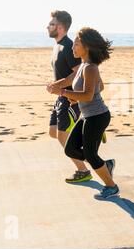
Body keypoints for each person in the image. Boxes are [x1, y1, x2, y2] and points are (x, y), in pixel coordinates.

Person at [48, 27, 118, 200]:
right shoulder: (82, 67)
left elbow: (88, 94)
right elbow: (97, 87)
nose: (73, 48)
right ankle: (105, 165)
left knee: (90, 154)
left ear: (86, 46)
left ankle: (112, 186)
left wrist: (65, 94)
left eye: (76, 44)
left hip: (98, 117)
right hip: (88, 116)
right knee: (71, 149)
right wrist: (59, 88)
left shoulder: (90, 68)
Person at [46, 10, 93, 183]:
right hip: (60, 97)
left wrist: (57, 85)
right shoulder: (57, 45)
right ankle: (86, 142)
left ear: (59, 27)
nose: (47, 27)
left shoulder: (68, 47)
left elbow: (77, 74)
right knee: (53, 132)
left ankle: (83, 170)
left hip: (70, 98)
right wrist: (56, 86)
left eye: (51, 24)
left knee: (61, 136)